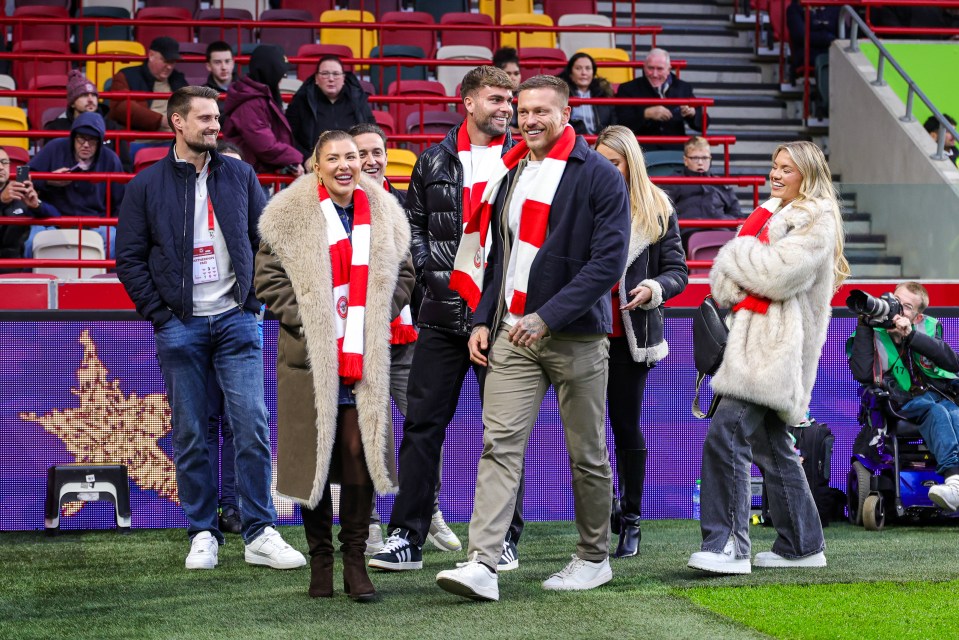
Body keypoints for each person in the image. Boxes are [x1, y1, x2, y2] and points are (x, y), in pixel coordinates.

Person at [435, 75, 630, 601]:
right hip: (510, 333)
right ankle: (483, 562)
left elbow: (607, 264)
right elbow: (501, 255)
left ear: (566, 115)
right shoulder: (513, 170)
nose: (530, 120)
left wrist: (547, 316)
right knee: (499, 447)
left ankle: (594, 557)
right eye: (524, 111)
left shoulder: (600, 177)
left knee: (587, 454)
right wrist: (482, 317)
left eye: (542, 111)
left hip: (577, 338)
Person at [116, 86, 305, 572]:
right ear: (177, 122)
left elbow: (267, 242)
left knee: (252, 427)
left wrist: (253, 303)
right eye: (204, 119)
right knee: (192, 434)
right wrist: (161, 315)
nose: (215, 126)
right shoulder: (144, 186)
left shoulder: (240, 173)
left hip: (236, 320)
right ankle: (202, 531)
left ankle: (260, 531)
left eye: (217, 118)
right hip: (180, 325)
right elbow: (130, 260)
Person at [368, 66, 525, 574]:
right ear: (469, 102)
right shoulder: (432, 159)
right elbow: (412, 224)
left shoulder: (526, 160)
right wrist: (436, 277)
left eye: (510, 100)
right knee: (421, 428)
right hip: (439, 315)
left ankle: (502, 540)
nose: (506, 108)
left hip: (501, 321)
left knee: (503, 434)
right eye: (497, 99)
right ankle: (406, 537)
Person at [254, 129, 414, 600]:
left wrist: (374, 311)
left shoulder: (384, 209)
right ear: (316, 164)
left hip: (365, 356)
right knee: (314, 464)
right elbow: (267, 279)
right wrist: (313, 319)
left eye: (353, 156)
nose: (347, 165)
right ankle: (319, 560)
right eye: (335, 158)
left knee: (360, 454)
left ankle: (354, 560)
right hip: (311, 357)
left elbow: (404, 271)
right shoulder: (288, 214)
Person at [687, 140, 850, 575]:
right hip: (752, 344)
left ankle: (728, 546)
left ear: (809, 176)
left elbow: (776, 275)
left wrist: (738, 256)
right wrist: (744, 266)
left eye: (787, 169)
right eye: (774, 166)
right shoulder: (769, 213)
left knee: (727, 436)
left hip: (775, 352)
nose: (776, 175)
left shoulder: (818, 218)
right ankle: (802, 544)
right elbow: (721, 283)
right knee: (771, 445)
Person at [348, 123, 461, 555]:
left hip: (409, 338)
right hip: (359, 344)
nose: (373, 160)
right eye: (362, 153)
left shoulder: (404, 203)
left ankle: (427, 511)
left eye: (378, 151)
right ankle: (371, 522)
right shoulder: (335, 210)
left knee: (422, 429)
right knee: (366, 434)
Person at [594, 125, 688, 558]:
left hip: (632, 337)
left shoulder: (658, 206)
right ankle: (605, 509)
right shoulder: (583, 198)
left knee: (625, 426)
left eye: (613, 162)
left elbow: (678, 272)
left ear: (631, 163)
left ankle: (630, 519)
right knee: (588, 433)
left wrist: (654, 287)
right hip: (584, 333)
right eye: (600, 161)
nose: (605, 169)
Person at [848, 282, 959, 511]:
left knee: (954, 412)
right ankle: (954, 481)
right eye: (894, 299)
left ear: (917, 316)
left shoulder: (926, 327)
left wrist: (909, 336)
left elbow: (951, 363)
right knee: (936, 411)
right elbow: (862, 373)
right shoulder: (872, 328)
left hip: (933, 394)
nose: (896, 307)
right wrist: (865, 325)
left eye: (906, 306)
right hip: (898, 401)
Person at [201, 140, 247, 535]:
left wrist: (250, 305)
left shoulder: (249, 209)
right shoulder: (193, 209)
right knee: (203, 423)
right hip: (196, 324)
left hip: (237, 322)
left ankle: (232, 507)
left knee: (238, 424)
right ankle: (201, 515)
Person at [27, 112, 124, 258]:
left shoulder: (110, 159)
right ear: (73, 137)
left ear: (100, 141)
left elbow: (120, 201)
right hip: (52, 220)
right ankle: (32, 280)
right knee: (31, 242)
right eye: (81, 138)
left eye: (92, 140)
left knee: (115, 240)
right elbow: (23, 175)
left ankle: (106, 281)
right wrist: (49, 180)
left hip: (96, 224)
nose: (85, 144)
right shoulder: (55, 147)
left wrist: (113, 225)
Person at [222, 45, 303, 177]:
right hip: (249, 175)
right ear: (270, 72)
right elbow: (265, 146)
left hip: (257, 172)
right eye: (280, 72)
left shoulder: (263, 94)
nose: (283, 77)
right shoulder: (250, 102)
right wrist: (295, 158)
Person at [287, 56, 375, 159]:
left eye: (336, 74)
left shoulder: (357, 100)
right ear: (316, 78)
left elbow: (372, 133)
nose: (331, 79)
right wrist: (305, 159)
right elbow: (288, 137)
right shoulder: (302, 100)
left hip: (353, 163)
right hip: (315, 165)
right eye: (325, 74)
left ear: (343, 78)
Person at [663, 136, 742, 247]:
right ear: (685, 160)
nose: (700, 163)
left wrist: (719, 219)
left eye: (705, 158)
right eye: (695, 158)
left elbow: (737, 214)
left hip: (721, 231)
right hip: (687, 233)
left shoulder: (721, 184)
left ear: (710, 159)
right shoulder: (674, 182)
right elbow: (664, 213)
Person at [615, 48, 702, 149]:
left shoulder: (683, 87)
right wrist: (645, 114)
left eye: (659, 69)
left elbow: (702, 123)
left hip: (675, 151)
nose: (654, 74)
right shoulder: (627, 88)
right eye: (650, 68)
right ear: (644, 67)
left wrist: (692, 113)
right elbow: (620, 124)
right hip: (640, 152)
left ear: (669, 69)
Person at [108, 37, 187, 133]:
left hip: (176, 140)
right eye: (165, 60)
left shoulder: (177, 78)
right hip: (140, 139)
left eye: (173, 62)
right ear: (151, 55)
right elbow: (120, 107)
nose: (169, 66)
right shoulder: (126, 76)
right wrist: (160, 120)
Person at [45, 69, 124, 162]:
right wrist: (53, 174)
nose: (90, 100)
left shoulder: (112, 128)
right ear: (72, 103)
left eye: (94, 95)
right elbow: (27, 169)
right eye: (84, 95)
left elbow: (126, 168)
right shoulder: (55, 128)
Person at [0, 148, 59, 272]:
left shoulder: (18, 189)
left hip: (17, 264)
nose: (1, 167)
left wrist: (36, 205)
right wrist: (1, 201)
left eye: (4, 162)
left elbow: (56, 218)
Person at [558, 52, 615, 135]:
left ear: (593, 72)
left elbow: (613, 122)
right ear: (570, 73)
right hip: (573, 143)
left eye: (588, 68)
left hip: (601, 143)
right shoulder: (561, 94)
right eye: (578, 68)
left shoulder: (604, 93)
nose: (584, 73)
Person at [786, 0, 840, 81]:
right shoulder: (795, 8)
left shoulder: (835, 8)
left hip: (831, 51)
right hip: (807, 52)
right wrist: (827, 37)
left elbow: (843, 35)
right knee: (828, 60)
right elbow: (801, 36)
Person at [492, 47, 521, 135]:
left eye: (516, 73)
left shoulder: (526, 94)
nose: (513, 78)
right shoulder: (489, 95)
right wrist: (505, 128)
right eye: (508, 73)